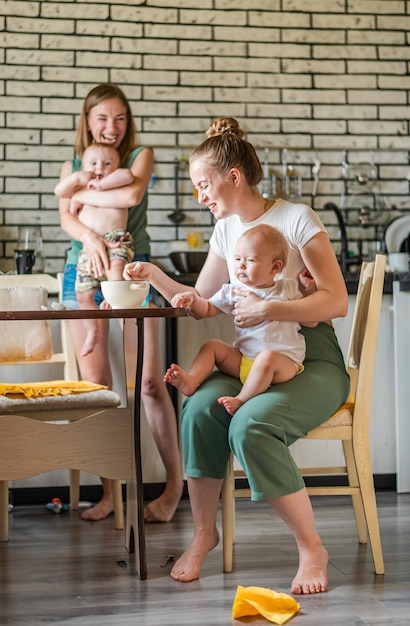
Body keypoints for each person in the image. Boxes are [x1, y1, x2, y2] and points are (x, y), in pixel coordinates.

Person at [123, 116, 350, 595]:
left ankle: (312, 547)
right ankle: (204, 534)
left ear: (234, 177)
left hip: (310, 356)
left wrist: (272, 306)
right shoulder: (226, 230)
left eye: (204, 185)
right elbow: (202, 301)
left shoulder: (295, 218)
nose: (199, 196)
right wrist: (152, 280)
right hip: (251, 357)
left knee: (251, 424)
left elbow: (336, 300)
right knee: (201, 407)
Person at [58, 83, 183, 523]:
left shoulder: (140, 156)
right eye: (102, 118)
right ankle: (108, 494)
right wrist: (89, 235)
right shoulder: (73, 163)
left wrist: (80, 197)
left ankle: (172, 489)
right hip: (81, 273)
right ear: (87, 121)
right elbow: (65, 219)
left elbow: (130, 196)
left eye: (120, 118)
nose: (112, 127)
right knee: (98, 389)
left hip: (133, 270)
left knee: (148, 384)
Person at [165, 224, 315, 416]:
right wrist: (192, 300)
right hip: (244, 361)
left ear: (275, 267)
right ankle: (191, 380)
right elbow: (208, 308)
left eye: (250, 260)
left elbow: (310, 321)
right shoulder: (233, 291)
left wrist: (310, 291)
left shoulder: (287, 289)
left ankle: (242, 399)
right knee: (212, 346)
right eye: (237, 259)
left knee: (267, 357)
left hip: (282, 365)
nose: (241, 266)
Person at [55, 142, 135, 356]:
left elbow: (127, 175)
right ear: (83, 165)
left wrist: (101, 184)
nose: (100, 167)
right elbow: (59, 191)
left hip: (115, 238)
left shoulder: (116, 183)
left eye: (107, 163)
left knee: (116, 271)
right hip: (88, 248)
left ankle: (114, 301)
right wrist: (78, 178)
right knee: (83, 295)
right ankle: (93, 331)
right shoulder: (81, 186)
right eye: (93, 163)